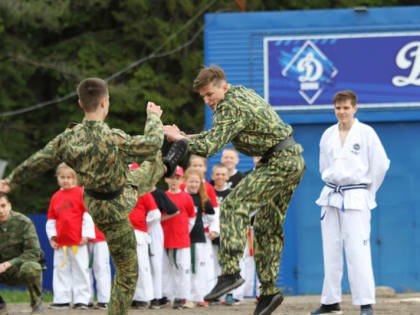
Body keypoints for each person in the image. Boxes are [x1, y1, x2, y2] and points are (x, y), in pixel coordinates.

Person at [0, 77, 187, 315]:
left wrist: (11, 181)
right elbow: (151, 143)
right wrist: (153, 117)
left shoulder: (66, 139)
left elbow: (37, 162)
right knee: (128, 272)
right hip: (118, 203)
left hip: (93, 202)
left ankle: (166, 167)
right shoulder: (113, 137)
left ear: (80, 103)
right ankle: (166, 167)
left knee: (138, 175)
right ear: (104, 103)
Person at [164, 65, 305, 315]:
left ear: (223, 86)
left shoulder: (229, 105)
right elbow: (215, 135)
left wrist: (179, 139)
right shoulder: (239, 94)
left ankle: (230, 272)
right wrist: (186, 137)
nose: (208, 101)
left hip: (279, 162)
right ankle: (269, 292)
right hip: (290, 159)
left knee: (232, 205)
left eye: (210, 94)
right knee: (266, 227)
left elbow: (209, 146)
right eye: (203, 97)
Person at [311, 90, 390, 315]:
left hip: (356, 196)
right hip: (331, 195)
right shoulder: (327, 134)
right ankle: (330, 301)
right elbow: (323, 166)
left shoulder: (366, 133)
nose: (342, 112)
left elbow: (381, 165)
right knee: (331, 249)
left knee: (358, 251)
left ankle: (365, 302)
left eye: (346, 108)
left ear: (355, 108)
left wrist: (368, 192)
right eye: (338, 108)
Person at [46, 163, 95, 310]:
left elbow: (87, 216)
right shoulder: (55, 197)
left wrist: (86, 235)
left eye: (69, 177)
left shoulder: (81, 193)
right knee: (60, 270)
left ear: (75, 178)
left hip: (77, 242)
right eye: (62, 177)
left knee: (81, 270)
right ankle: (62, 299)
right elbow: (51, 220)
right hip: (61, 243)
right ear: (57, 178)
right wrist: (52, 237)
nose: (66, 180)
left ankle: (82, 300)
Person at [0, 193, 44, 315]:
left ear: (9, 206)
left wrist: (8, 264)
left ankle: (36, 304)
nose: (1, 210)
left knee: (33, 268)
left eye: (3, 206)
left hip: (19, 269)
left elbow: (34, 252)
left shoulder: (24, 222)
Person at [161, 166, 196, 309]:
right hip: (165, 239)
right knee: (167, 269)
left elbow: (192, 218)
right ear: (166, 179)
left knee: (183, 268)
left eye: (177, 178)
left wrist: (184, 232)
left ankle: (184, 297)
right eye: (171, 178)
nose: (174, 181)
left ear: (182, 179)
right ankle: (169, 296)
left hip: (182, 240)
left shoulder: (186, 197)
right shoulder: (163, 196)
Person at [184, 168, 216, 307]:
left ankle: (200, 296)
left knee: (200, 268)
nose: (194, 184)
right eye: (191, 181)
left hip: (198, 238)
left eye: (197, 182)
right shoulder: (183, 197)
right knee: (187, 268)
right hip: (183, 239)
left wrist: (202, 225)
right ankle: (187, 297)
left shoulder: (203, 199)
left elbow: (211, 216)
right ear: (185, 181)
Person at [87, 224, 111, 309]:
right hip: (81, 238)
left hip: (100, 237)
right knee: (84, 270)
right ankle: (86, 300)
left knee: (102, 268)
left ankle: (104, 300)